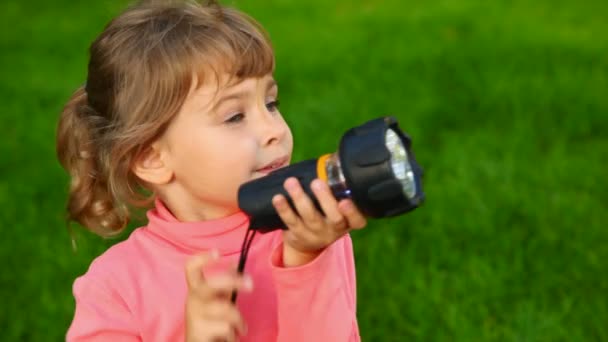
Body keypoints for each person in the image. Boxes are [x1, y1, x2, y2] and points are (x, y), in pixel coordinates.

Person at [57, 1, 367, 341]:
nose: (274, 129)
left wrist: (307, 261)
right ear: (152, 159)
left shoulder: (310, 231)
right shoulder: (116, 287)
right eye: (235, 116)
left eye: (271, 103)